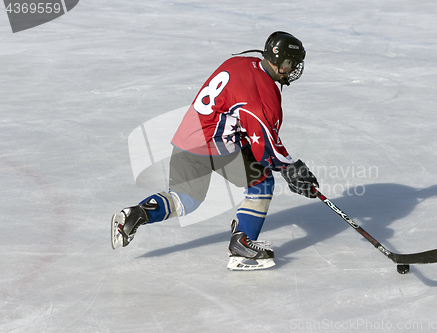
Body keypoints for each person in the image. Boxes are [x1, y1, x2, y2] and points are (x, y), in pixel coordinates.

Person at [111, 31, 319, 271]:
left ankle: (136, 214)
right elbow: (266, 150)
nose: (293, 69)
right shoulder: (264, 96)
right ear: (282, 62)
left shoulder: (241, 62)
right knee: (261, 182)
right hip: (216, 143)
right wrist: (292, 168)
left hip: (186, 137)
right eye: (292, 63)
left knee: (185, 198)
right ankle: (242, 248)